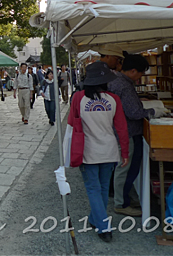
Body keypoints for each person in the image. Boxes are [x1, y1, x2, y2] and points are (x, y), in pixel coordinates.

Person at [69, 61, 129, 242]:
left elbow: (72, 124)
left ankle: (104, 227)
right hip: (109, 150)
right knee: (102, 188)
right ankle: (96, 220)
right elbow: (122, 128)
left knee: (93, 189)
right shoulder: (113, 99)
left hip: (88, 151)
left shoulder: (79, 98)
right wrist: (124, 152)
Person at [108, 54, 166, 217]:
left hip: (123, 131)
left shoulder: (117, 80)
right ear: (133, 71)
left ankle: (124, 198)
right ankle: (121, 203)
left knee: (125, 167)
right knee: (126, 167)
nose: (141, 77)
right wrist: (153, 111)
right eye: (140, 73)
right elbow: (133, 112)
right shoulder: (124, 85)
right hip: (129, 132)